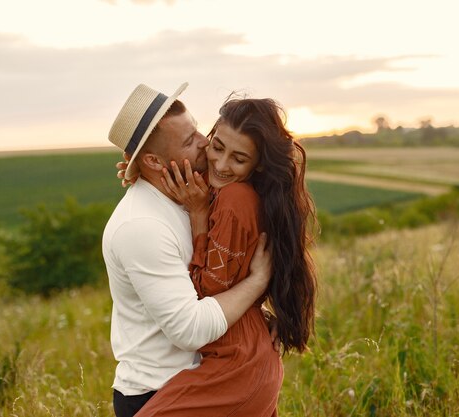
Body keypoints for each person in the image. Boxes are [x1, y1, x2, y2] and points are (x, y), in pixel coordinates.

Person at [127, 95, 318, 416]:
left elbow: (207, 295)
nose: (221, 164)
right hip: (242, 357)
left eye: (239, 158)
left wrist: (199, 215)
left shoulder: (233, 200)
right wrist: (141, 169)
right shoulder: (219, 187)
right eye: (217, 147)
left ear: (257, 163)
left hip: (237, 367)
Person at [102, 83, 274, 417]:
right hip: (159, 391)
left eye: (197, 129)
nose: (205, 143)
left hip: (211, 382)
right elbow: (190, 330)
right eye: (188, 140)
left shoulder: (192, 192)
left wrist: (258, 313)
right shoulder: (141, 226)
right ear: (152, 159)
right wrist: (256, 283)